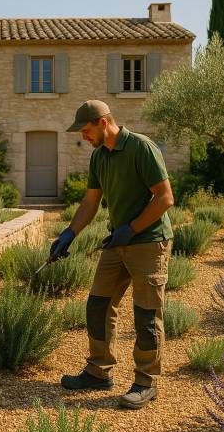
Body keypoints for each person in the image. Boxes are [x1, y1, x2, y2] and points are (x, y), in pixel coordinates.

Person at [50, 99, 174, 410]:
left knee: (146, 314)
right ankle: (98, 371)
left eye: (86, 130)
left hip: (149, 241)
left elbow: (165, 198)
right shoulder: (99, 158)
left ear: (103, 123)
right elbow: (91, 203)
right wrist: (69, 234)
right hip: (118, 242)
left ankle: (146, 382)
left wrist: (131, 228)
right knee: (98, 305)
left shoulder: (141, 148)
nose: (83, 136)